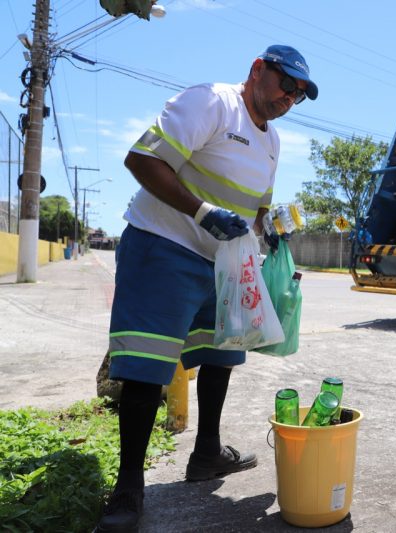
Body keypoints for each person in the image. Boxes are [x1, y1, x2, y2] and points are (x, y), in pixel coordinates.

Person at [96, 45, 318, 532]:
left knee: (222, 355)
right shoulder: (212, 103)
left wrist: (272, 229)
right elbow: (142, 160)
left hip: (222, 263)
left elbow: (259, 210)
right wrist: (201, 212)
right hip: (164, 246)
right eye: (286, 85)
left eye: (299, 95)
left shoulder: (273, 142)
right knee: (147, 366)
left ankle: (206, 454)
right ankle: (129, 485)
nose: (288, 99)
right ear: (258, 70)